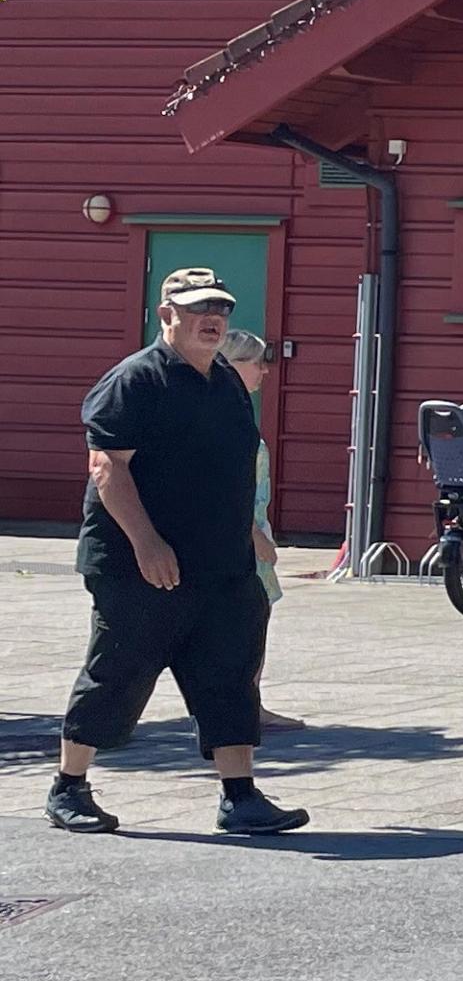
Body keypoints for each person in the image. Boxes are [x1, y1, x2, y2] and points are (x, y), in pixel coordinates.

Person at [44, 269, 301, 836]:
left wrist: (253, 533)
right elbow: (108, 467)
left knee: (232, 672)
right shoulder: (134, 381)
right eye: (197, 309)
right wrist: (147, 542)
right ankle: (69, 787)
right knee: (120, 670)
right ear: (167, 316)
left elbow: (228, 468)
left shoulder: (226, 382)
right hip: (141, 563)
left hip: (223, 562)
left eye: (221, 310)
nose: (212, 319)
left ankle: (241, 797)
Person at [217, 327, 308, 740]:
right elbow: (220, 485)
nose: (264, 371)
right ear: (233, 364)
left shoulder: (235, 409)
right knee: (242, 624)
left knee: (256, 619)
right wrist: (255, 536)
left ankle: (250, 703)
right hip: (237, 540)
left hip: (250, 532)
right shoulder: (218, 412)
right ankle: (235, 709)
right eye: (256, 362)